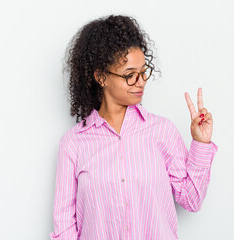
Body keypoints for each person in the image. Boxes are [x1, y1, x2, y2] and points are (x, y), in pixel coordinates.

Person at [49, 15, 218, 240]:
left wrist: (201, 143)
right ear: (101, 77)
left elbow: (192, 200)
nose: (141, 82)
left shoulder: (162, 131)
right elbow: (65, 230)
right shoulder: (73, 144)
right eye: (129, 75)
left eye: (143, 72)